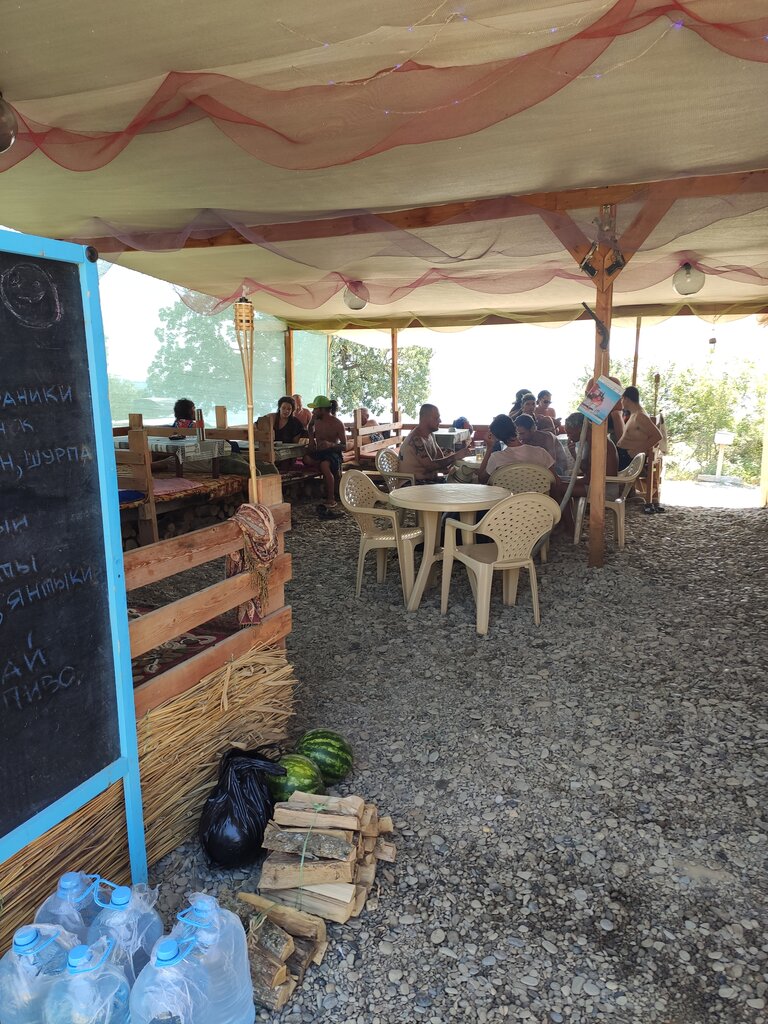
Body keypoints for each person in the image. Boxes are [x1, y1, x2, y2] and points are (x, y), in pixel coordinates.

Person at [551, 411, 620, 532]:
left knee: (558, 488)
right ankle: (566, 524)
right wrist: (574, 454)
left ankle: (570, 529)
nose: (568, 436)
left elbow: (589, 479)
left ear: (580, 429)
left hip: (605, 488)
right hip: (596, 483)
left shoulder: (597, 443)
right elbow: (587, 470)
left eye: (570, 432)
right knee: (558, 483)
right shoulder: (590, 440)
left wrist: (564, 482)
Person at [617, 385, 664, 513]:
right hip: (623, 453)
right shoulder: (634, 414)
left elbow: (657, 436)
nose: (621, 402)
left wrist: (635, 452)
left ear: (626, 399)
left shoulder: (640, 416)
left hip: (627, 457)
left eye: (622, 399)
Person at [398, 403, 471, 483]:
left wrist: (452, 462)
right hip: (412, 484)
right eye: (437, 418)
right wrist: (455, 456)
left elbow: (440, 457)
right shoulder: (416, 439)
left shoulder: (430, 435)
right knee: (457, 486)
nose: (440, 421)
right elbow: (430, 466)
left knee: (466, 480)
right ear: (426, 419)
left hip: (427, 481)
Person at [477, 415, 554, 483]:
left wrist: (489, 448)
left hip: (508, 495)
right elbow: (556, 481)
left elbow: (481, 479)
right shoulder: (540, 452)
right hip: (538, 494)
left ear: (497, 437)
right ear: (515, 428)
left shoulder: (496, 458)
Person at [304, 395, 347, 517]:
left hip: (333, 453)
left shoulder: (337, 423)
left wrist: (330, 444)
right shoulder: (315, 419)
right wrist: (311, 440)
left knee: (324, 465)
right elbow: (310, 427)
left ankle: (331, 499)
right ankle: (321, 485)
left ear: (323, 409)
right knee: (306, 459)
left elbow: (345, 446)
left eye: (315, 409)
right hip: (320, 452)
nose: (313, 412)